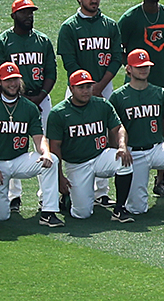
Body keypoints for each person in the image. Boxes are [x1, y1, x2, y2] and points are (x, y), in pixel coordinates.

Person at [111, 49, 164, 221]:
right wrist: (119, 149)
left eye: (146, 66)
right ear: (128, 69)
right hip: (134, 154)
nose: (143, 69)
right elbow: (113, 128)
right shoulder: (118, 96)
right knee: (137, 208)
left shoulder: (159, 93)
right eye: (139, 67)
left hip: (157, 149)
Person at [0, 61, 52, 226]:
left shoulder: (29, 107)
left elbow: (39, 137)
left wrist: (45, 152)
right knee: (1, 216)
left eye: (15, 79)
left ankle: (49, 211)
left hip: (19, 160)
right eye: (8, 80)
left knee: (52, 161)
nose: (12, 84)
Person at [43, 70, 127, 223]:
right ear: (71, 88)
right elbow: (55, 148)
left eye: (88, 86)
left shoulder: (102, 104)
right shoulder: (59, 113)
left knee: (124, 161)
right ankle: (67, 200)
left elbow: (118, 128)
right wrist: (60, 177)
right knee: (82, 213)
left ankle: (120, 209)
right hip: (77, 165)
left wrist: (122, 146)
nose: (85, 91)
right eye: (81, 87)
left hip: (101, 156)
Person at [0, 0, 58, 116]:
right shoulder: (1, 43)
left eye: (30, 12)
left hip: (42, 99)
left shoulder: (43, 41)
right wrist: (22, 98)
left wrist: (40, 97)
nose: (29, 16)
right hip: (12, 100)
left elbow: (51, 73)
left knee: (45, 134)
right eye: (23, 12)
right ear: (13, 16)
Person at [58, 0, 122, 102]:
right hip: (77, 86)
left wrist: (99, 86)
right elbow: (69, 63)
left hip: (105, 86)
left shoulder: (110, 25)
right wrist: (86, 86)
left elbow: (117, 58)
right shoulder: (69, 27)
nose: (94, 1)